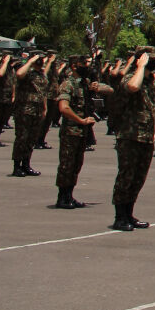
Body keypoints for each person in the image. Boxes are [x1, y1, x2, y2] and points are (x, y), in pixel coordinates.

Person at [111, 47, 155, 231]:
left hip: (146, 137)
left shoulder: (151, 81)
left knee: (139, 178)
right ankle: (120, 216)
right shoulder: (131, 77)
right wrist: (139, 67)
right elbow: (132, 87)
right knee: (126, 176)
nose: (154, 63)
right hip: (130, 136)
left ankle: (129, 213)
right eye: (150, 59)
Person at [54, 54, 111, 209]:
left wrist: (97, 86)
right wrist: (81, 121)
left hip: (82, 132)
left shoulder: (85, 83)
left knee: (76, 165)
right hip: (71, 131)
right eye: (84, 63)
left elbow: (110, 90)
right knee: (67, 165)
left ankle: (69, 195)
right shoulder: (68, 84)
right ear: (74, 66)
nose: (87, 66)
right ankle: (62, 197)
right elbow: (63, 108)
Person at [10, 51, 53, 177]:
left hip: (37, 111)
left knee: (31, 139)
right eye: (38, 58)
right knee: (22, 138)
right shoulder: (26, 71)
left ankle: (26, 164)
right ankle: (17, 166)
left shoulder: (42, 74)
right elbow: (19, 74)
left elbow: (43, 92)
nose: (40, 60)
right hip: (24, 110)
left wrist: (45, 108)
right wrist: (30, 61)